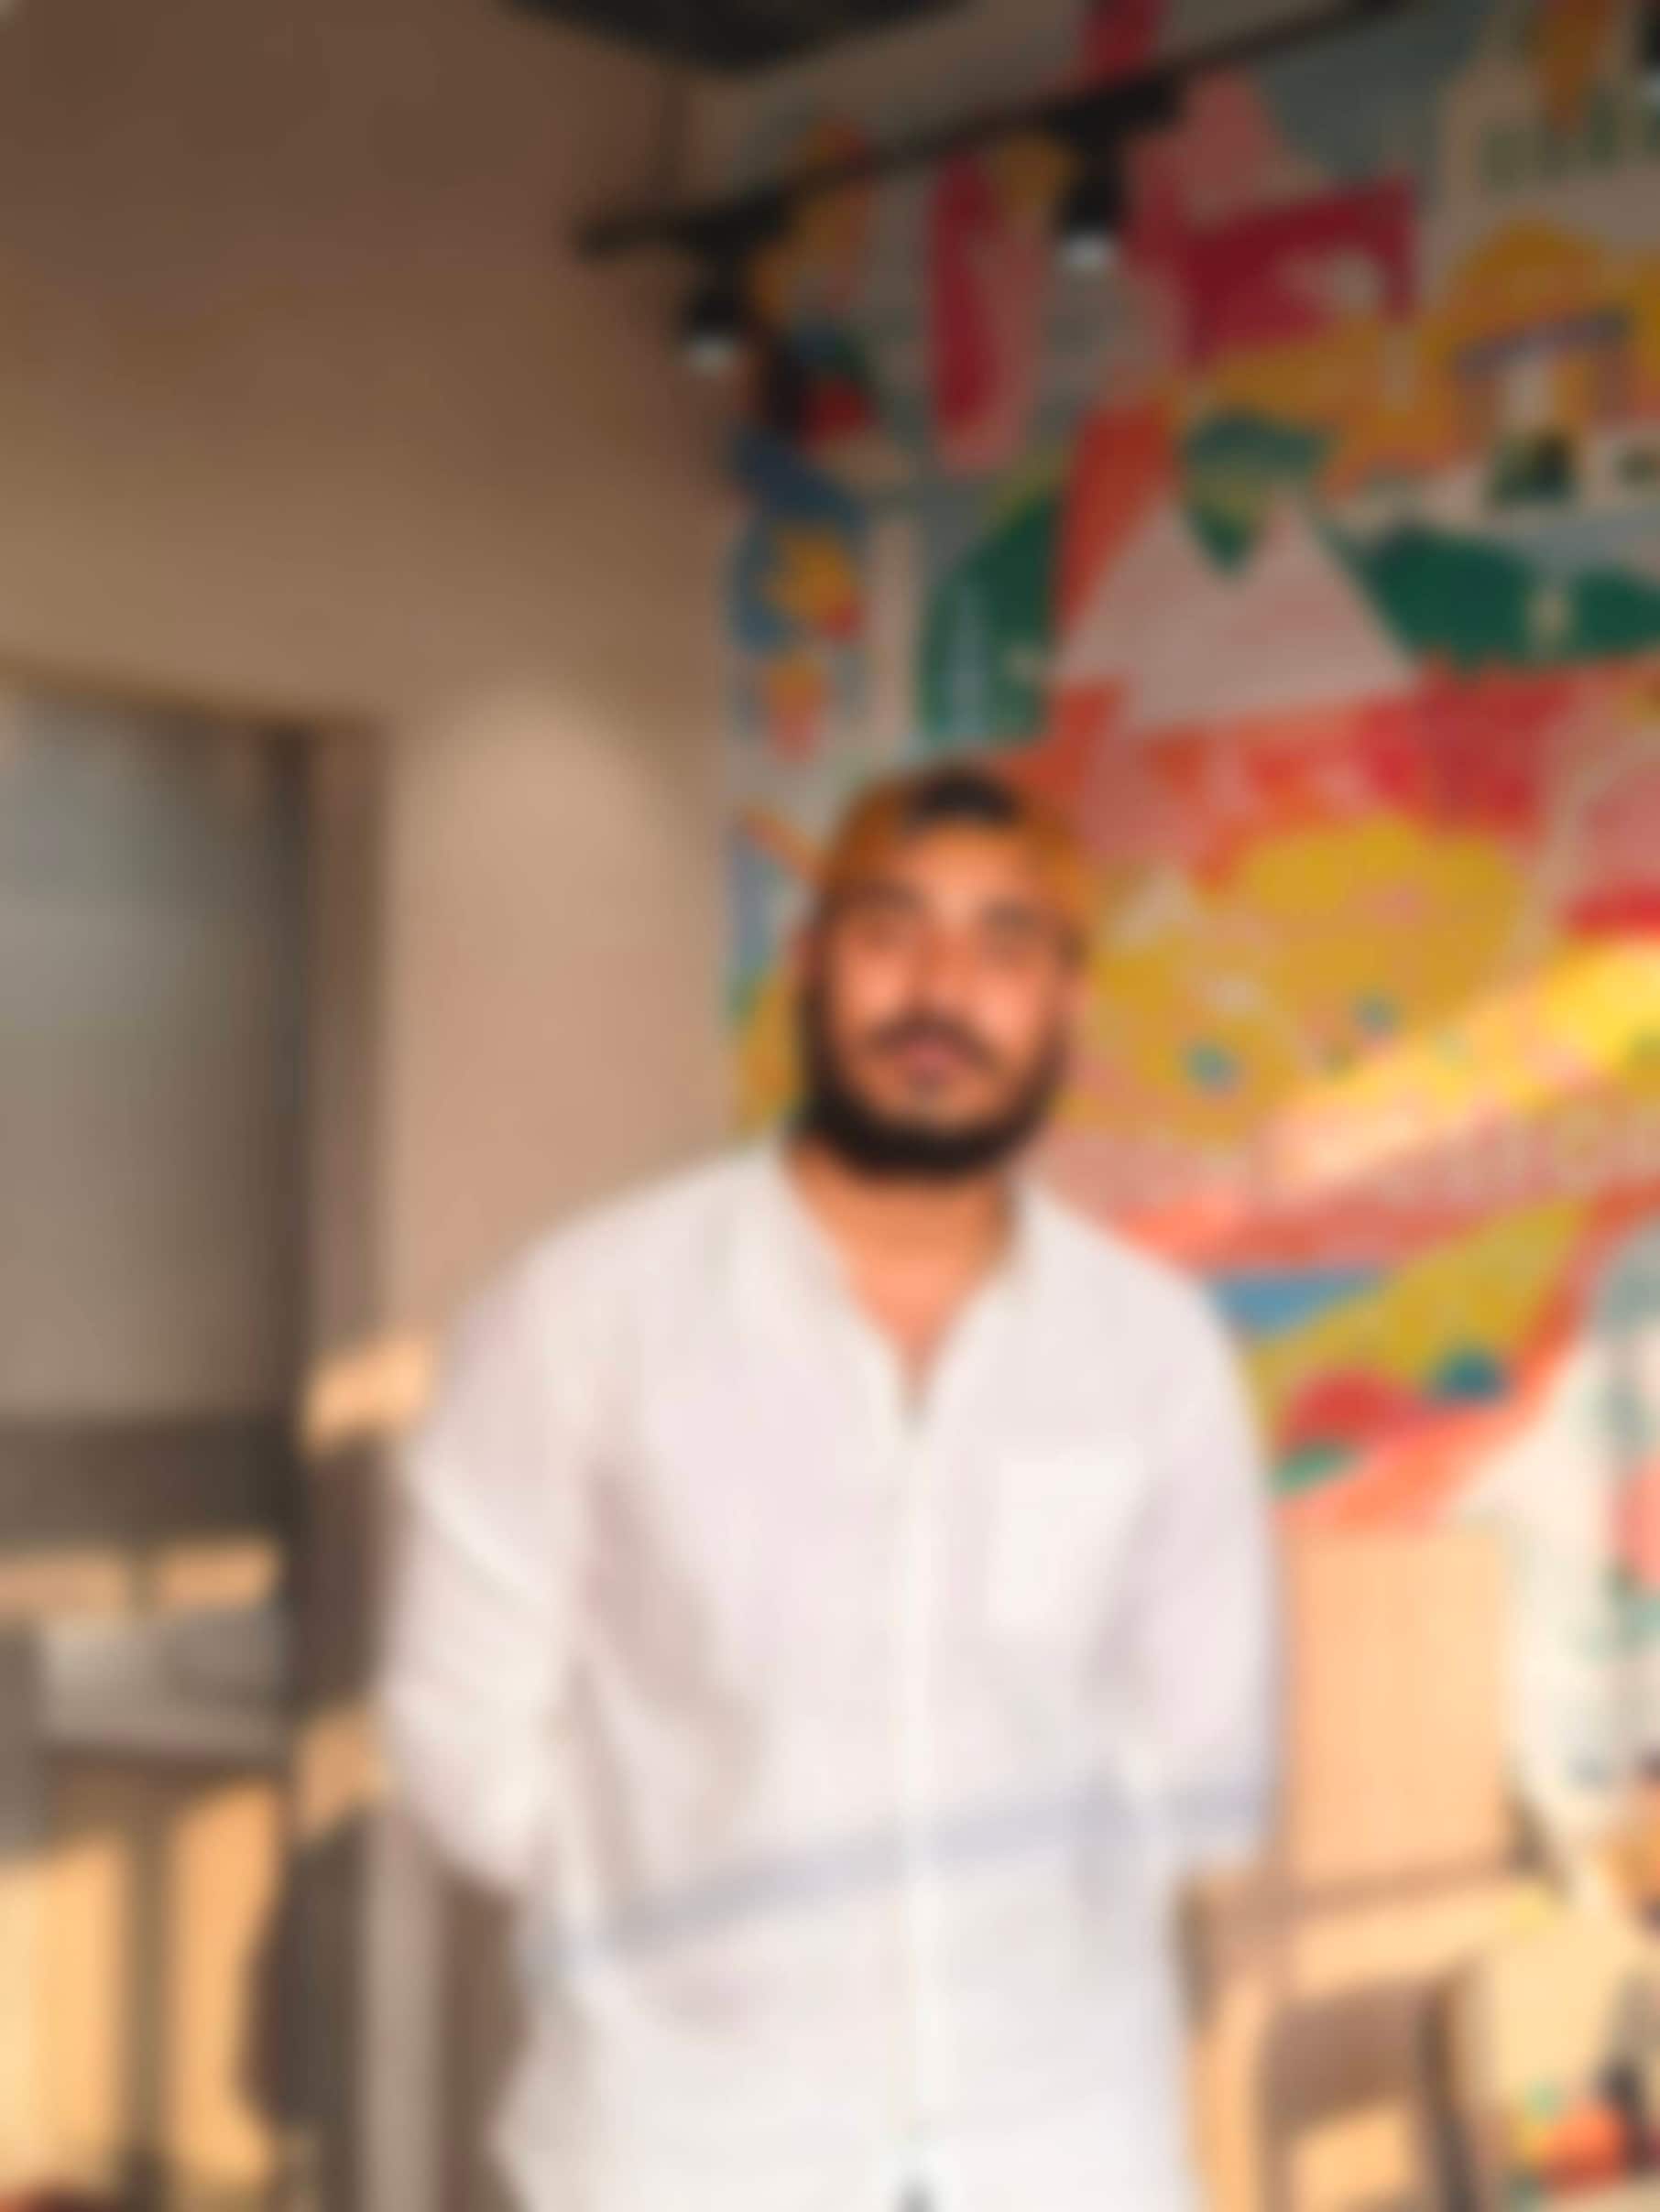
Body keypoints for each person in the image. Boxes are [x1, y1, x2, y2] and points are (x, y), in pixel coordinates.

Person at [381, 765, 1278, 2212]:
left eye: (1004, 946)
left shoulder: (1149, 1352)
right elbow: (460, 1735)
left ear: (1067, 1001)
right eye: (890, 932)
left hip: (1061, 2151)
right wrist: (669, 1901)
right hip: (686, 2153)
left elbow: (1201, 1754)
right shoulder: (584, 1316)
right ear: (807, 962)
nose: (941, 992)